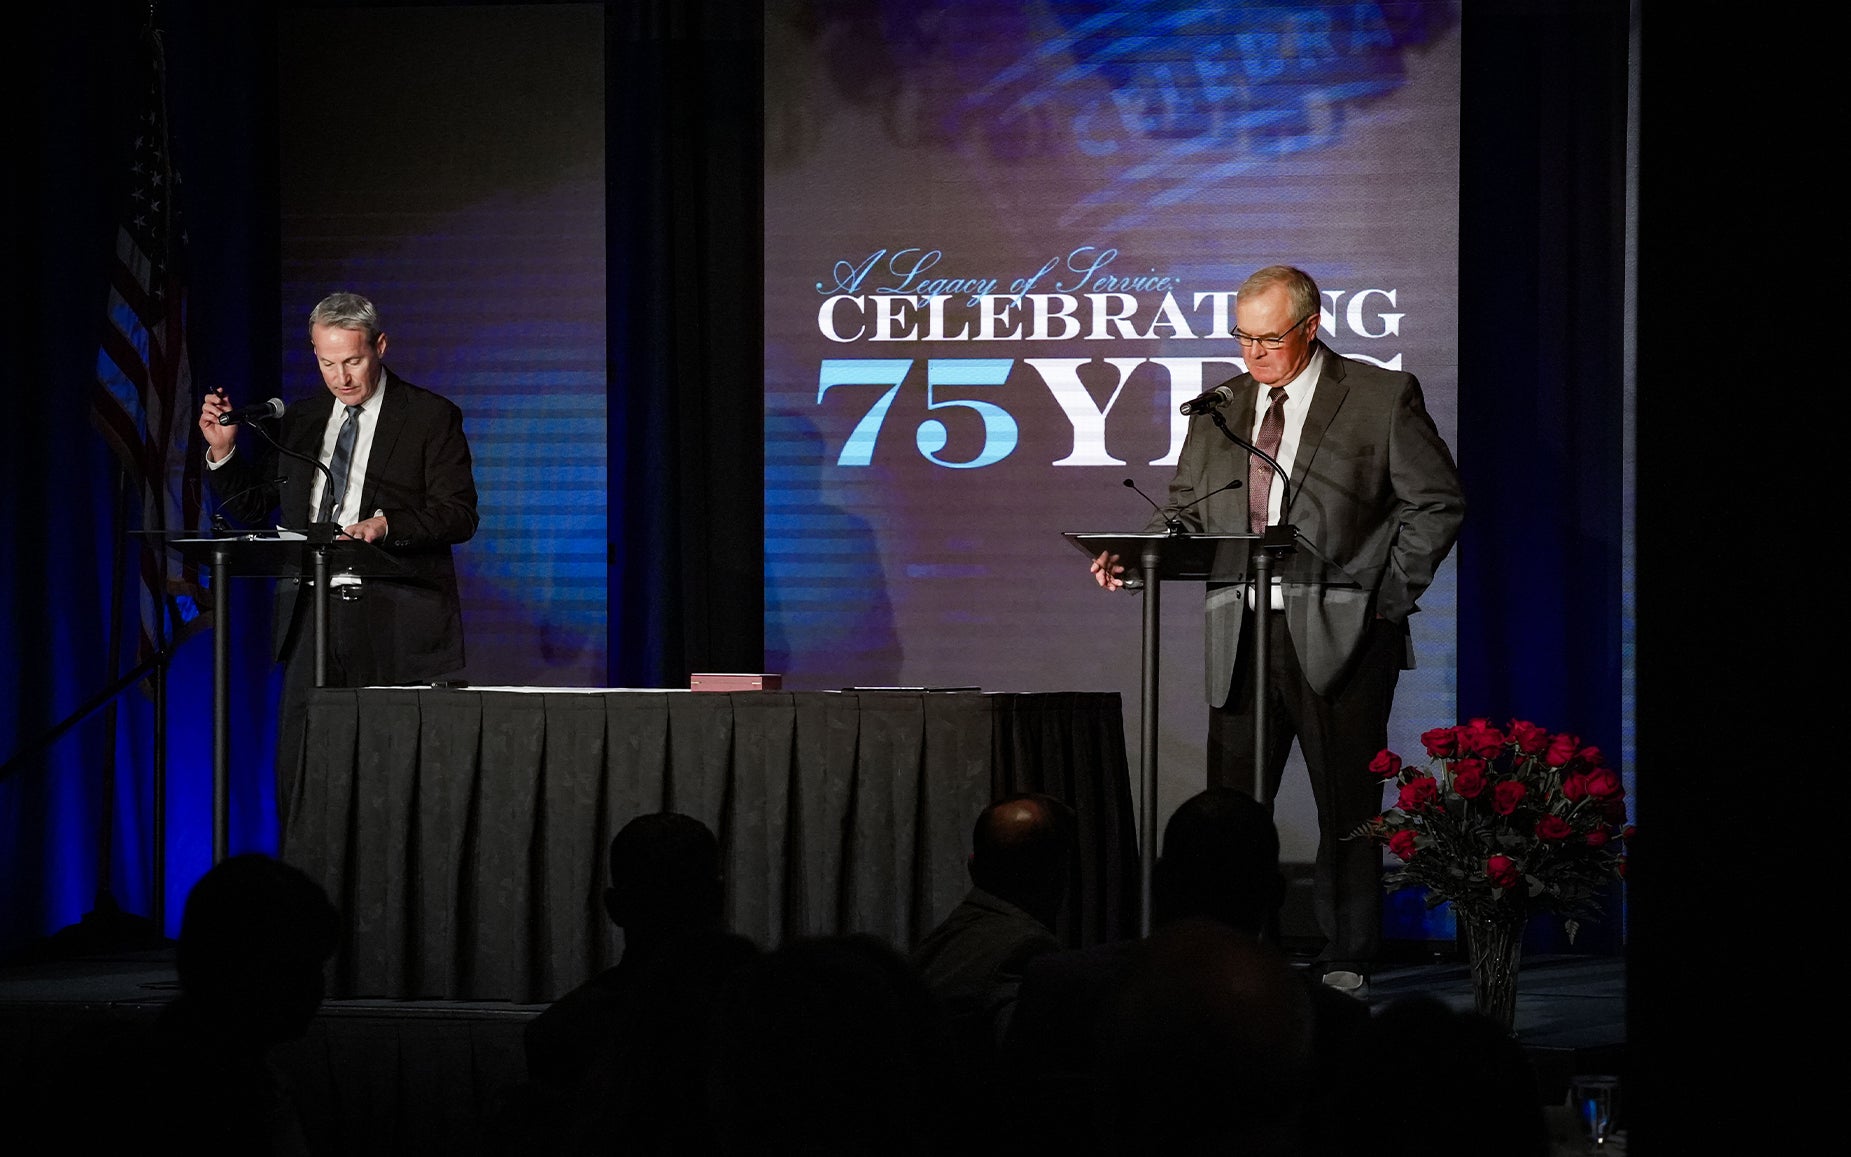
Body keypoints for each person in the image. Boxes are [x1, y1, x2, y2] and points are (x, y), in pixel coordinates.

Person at [1089, 265, 1464, 996]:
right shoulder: (1221, 405)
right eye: (1242, 336)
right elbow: (1187, 511)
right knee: (1230, 807)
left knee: (1347, 804)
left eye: (1268, 337)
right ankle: (1231, 952)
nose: (1253, 352)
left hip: (1342, 626)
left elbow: (1437, 503)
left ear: (1310, 325)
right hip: (1241, 626)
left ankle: (1347, 955)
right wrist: (1136, 557)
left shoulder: (1381, 395)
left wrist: (1385, 595)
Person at [199, 292, 479, 828]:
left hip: (393, 614)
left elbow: (459, 514)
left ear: (380, 346)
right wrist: (223, 452)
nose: (341, 377)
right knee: (301, 771)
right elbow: (253, 507)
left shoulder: (429, 416)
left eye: (352, 360)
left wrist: (387, 524)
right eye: (327, 362)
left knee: (389, 777)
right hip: (311, 616)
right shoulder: (301, 421)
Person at [911, 792, 1076, 1061]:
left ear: (972, 867)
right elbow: (1022, 1060)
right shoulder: (1025, 948)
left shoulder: (944, 939)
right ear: (1057, 874)